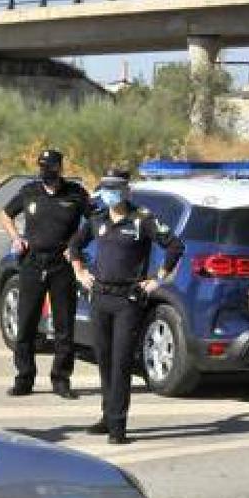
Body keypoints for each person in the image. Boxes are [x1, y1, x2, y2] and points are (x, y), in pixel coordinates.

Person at [70, 170, 185, 445]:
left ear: (127, 191)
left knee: (121, 362)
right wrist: (80, 272)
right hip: (100, 297)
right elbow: (74, 245)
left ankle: (118, 426)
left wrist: (158, 279)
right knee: (105, 360)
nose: (111, 194)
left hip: (127, 300)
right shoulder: (97, 218)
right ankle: (107, 415)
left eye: (116, 188)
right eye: (107, 188)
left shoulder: (142, 219)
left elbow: (175, 246)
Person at [0, 149, 91, 399]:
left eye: (51, 168)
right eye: (42, 168)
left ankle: (61, 380)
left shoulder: (75, 194)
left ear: (60, 168)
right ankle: (24, 378)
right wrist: (16, 238)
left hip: (61, 266)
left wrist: (75, 247)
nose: (46, 173)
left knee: (64, 325)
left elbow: (94, 221)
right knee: (27, 322)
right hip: (32, 263)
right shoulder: (31, 191)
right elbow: (5, 214)